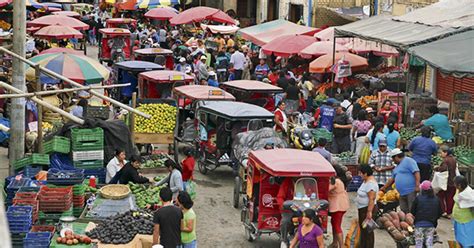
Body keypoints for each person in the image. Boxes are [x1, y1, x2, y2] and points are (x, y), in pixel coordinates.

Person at [380, 149, 420, 213]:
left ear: (396, 157)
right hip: (401, 193)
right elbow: (392, 179)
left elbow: (416, 172)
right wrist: (384, 187)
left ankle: (413, 222)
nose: (393, 161)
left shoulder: (408, 161)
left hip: (411, 191)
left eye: (393, 158)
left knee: (412, 210)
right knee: (403, 211)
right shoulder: (397, 166)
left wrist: (417, 185)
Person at [411, 180, 443, 248]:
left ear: (422, 189)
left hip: (419, 224)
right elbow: (440, 212)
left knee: (419, 243)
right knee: (429, 243)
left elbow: (412, 211)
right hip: (431, 224)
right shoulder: (437, 199)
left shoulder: (418, 198)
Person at [356, 164, 378, 248]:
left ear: (365, 173)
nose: (359, 175)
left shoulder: (371, 184)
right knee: (363, 230)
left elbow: (371, 199)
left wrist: (369, 212)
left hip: (367, 209)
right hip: (362, 208)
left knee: (368, 231)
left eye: (360, 173)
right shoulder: (366, 181)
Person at [434, 145, 457, 218]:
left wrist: (437, 168)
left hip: (445, 182)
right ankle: (449, 212)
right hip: (453, 181)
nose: (440, 154)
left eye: (441, 153)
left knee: (440, 195)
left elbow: (443, 169)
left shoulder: (445, 160)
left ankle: (443, 211)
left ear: (446, 152)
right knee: (450, 198)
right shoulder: (453, 159)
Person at [452, 175, 474, 248]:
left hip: (465, 221)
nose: (453, 185)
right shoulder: (458, 190)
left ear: (459, 185)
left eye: (455, 183)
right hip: (457, 220)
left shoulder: (469, 195)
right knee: (459, 238)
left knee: (466, 240)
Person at [328, 174, 350, 248]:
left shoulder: (336, 181)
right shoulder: (339, 180)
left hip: (338, 206)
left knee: (337, 226)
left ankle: (341, 245)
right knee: (334, 223)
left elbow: (327, 189)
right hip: (341, 204)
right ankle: (335, 243)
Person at [277, 177, 295, 247]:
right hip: (288, 209)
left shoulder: (306, 181)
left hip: (302, 208)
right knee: (285, 221)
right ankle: (284, 240)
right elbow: (280, 197)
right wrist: (283, 205)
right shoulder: (287, 181)